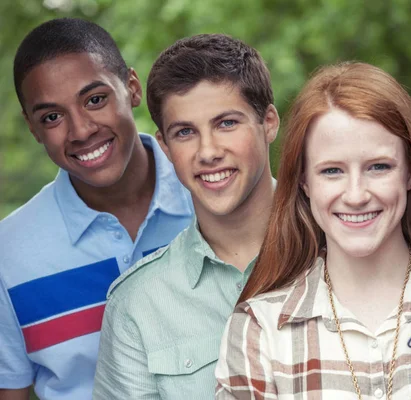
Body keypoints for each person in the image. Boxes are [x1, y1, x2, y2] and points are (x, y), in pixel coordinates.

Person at [215, 62, 411, 399]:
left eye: (379, 167)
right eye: (332, 171)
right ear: (303, 180)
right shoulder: (259, 330)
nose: (356, 195)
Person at [0, 18, 193, 400]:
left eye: (95, 100)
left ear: (132, 89)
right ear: (33, 128)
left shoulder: (212, 197)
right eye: (52, 117)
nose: (81, 130)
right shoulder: (8, 254)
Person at [92, 33, 279, 399]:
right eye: (185, 132)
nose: (208, 151)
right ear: (164, 145)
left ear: (269, 122)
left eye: (227, 123)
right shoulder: (138, 305)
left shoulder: (340, 247)